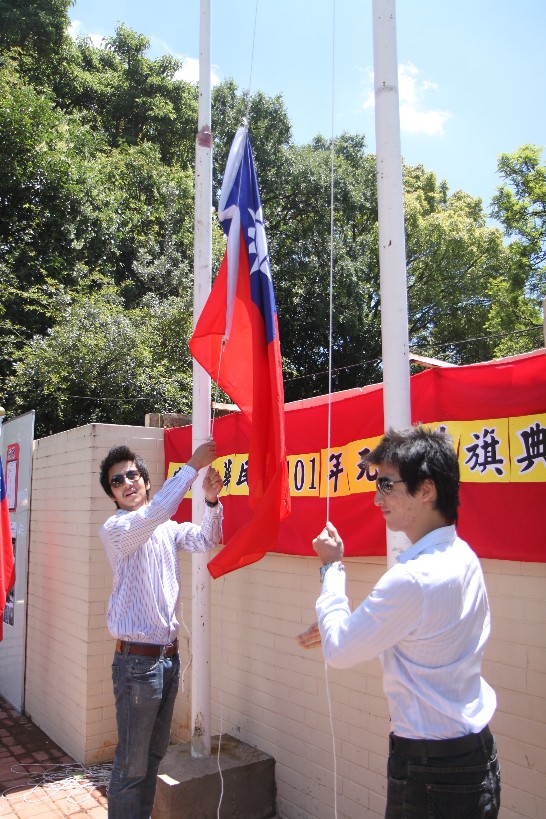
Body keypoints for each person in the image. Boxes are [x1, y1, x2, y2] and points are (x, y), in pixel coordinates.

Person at [298, 425, 500, 818]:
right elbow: (419, 631)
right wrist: (350, 626)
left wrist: (332, 568)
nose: (378, 498)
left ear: (426, 490)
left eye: (387, 485)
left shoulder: (414, 578)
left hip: (432, 773)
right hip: (473, 759)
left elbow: (339, 651)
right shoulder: (461, 554)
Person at [99, 439, 223, 819]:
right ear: (113, 494)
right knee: (131, 767)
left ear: (147, 481)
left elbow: (205, 539)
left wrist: (211, 502)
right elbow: (154, 514)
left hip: (168, 660)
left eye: (132, 475)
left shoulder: (166, 528)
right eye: (117, 481)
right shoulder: (117, 528)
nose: (127, 483)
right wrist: (191, 466)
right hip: (136, 666)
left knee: (152, 759)